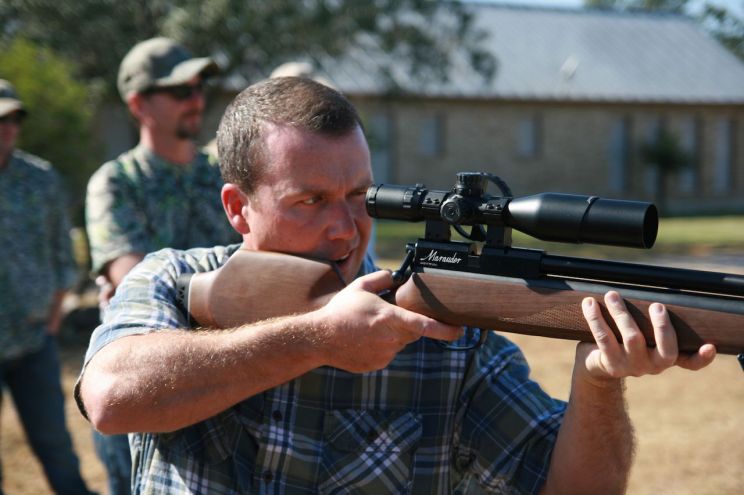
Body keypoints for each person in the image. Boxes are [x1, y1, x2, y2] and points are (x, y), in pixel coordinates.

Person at [76, 77, 716, 494]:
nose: (344, 226)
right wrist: (317, 339)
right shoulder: (176, 279)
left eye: (360, 195)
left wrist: (599, 383)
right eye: (311, 200)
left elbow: (569, 489)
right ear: (238, 209)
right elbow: (111, 398)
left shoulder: (443, 331)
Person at [84, 37, 240, 495]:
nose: (195, 100)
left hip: (229, 374)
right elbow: (136, 284)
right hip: (145, 385)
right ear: (138, 104)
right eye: (178, 91)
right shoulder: (116, 184)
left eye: (198, 88)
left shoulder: (221, 174)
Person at [0, 80, 95, 494]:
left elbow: (63, 251)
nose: (8, 126)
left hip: (35, 338)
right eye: (0, 118)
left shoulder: (40, 179)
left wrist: (56, 311)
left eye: (14, 118)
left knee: (55, 444)